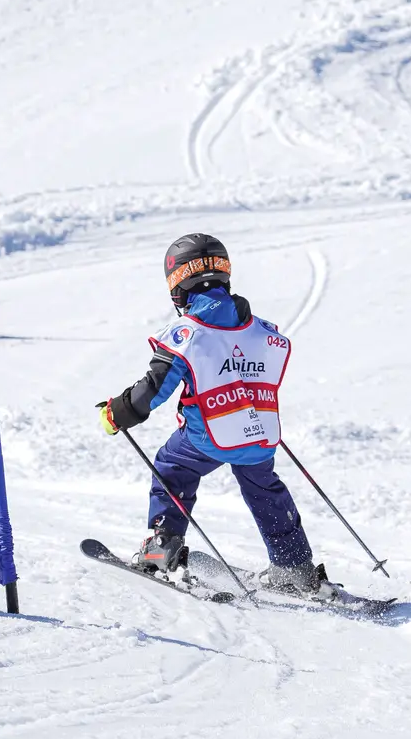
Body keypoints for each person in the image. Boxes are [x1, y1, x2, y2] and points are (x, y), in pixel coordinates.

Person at [99, 232, 320, 594]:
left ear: (177, 286)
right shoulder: (261, 329)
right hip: (259, 432)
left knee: (173, 466)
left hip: (209, 436)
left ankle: (161, 549)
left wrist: (118, 412)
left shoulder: (189, 333)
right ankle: (293, 565)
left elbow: (155, 388)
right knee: (265, 489)